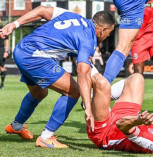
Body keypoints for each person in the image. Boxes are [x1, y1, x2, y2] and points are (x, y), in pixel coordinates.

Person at [0, 6, 115, 148]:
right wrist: (88, 108)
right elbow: (82, 73)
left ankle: (16, 126)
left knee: (39, 93)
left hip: (22, 49)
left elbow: (42, 10)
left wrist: (14, 24)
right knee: (73, 92)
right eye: (108, 34)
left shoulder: (71, 16)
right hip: (34, 57)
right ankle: (46, 137)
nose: (107, 37)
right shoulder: (89, 39)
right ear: (102, 29)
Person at [87, 71, 153, 156]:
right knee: (137, 78)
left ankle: (92, 100)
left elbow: (121, 125)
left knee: (101, 83)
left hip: (106, 132)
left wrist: (138, 120)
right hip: (126, 116)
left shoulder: (149, 143)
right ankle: (97, 99)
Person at [0, 19, 9, 89]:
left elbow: (7, 41)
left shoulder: (3, 29)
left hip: (1, 49)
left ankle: (2, 84)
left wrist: (6, 51)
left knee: (2, 67)